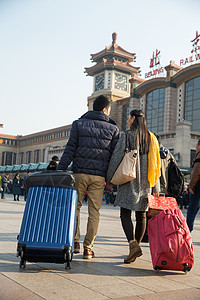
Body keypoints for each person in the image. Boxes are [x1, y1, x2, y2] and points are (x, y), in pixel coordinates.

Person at [57, 95, 119, 259]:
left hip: (79, 174)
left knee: (75, 208)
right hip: (99, 177)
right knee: (94, 212)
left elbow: (70, 149)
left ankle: (75, 241)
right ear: (105, 109)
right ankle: (88, 248)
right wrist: (111, 179)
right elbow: (114, 157)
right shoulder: (113, 129)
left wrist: (60, 169)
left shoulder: (78, 124)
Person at [107, 109, 160, 264]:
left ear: (133, 119)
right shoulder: (152, 138)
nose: (128, 119)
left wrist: (110, 178)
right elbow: (156, 164)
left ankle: (133, 244)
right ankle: (135, 247)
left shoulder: (127, 135)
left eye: (129, 117)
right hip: (146, 183)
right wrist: (156, 188)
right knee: (141, 215)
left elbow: (117, 157)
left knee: (125, 214)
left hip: (128, 180)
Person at [187, 140, 200, 232]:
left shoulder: (199, 156)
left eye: (196, 145)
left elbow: (196, 173)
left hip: (198, 188)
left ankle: (187, 231)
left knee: (191, 211)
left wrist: (191, 186)